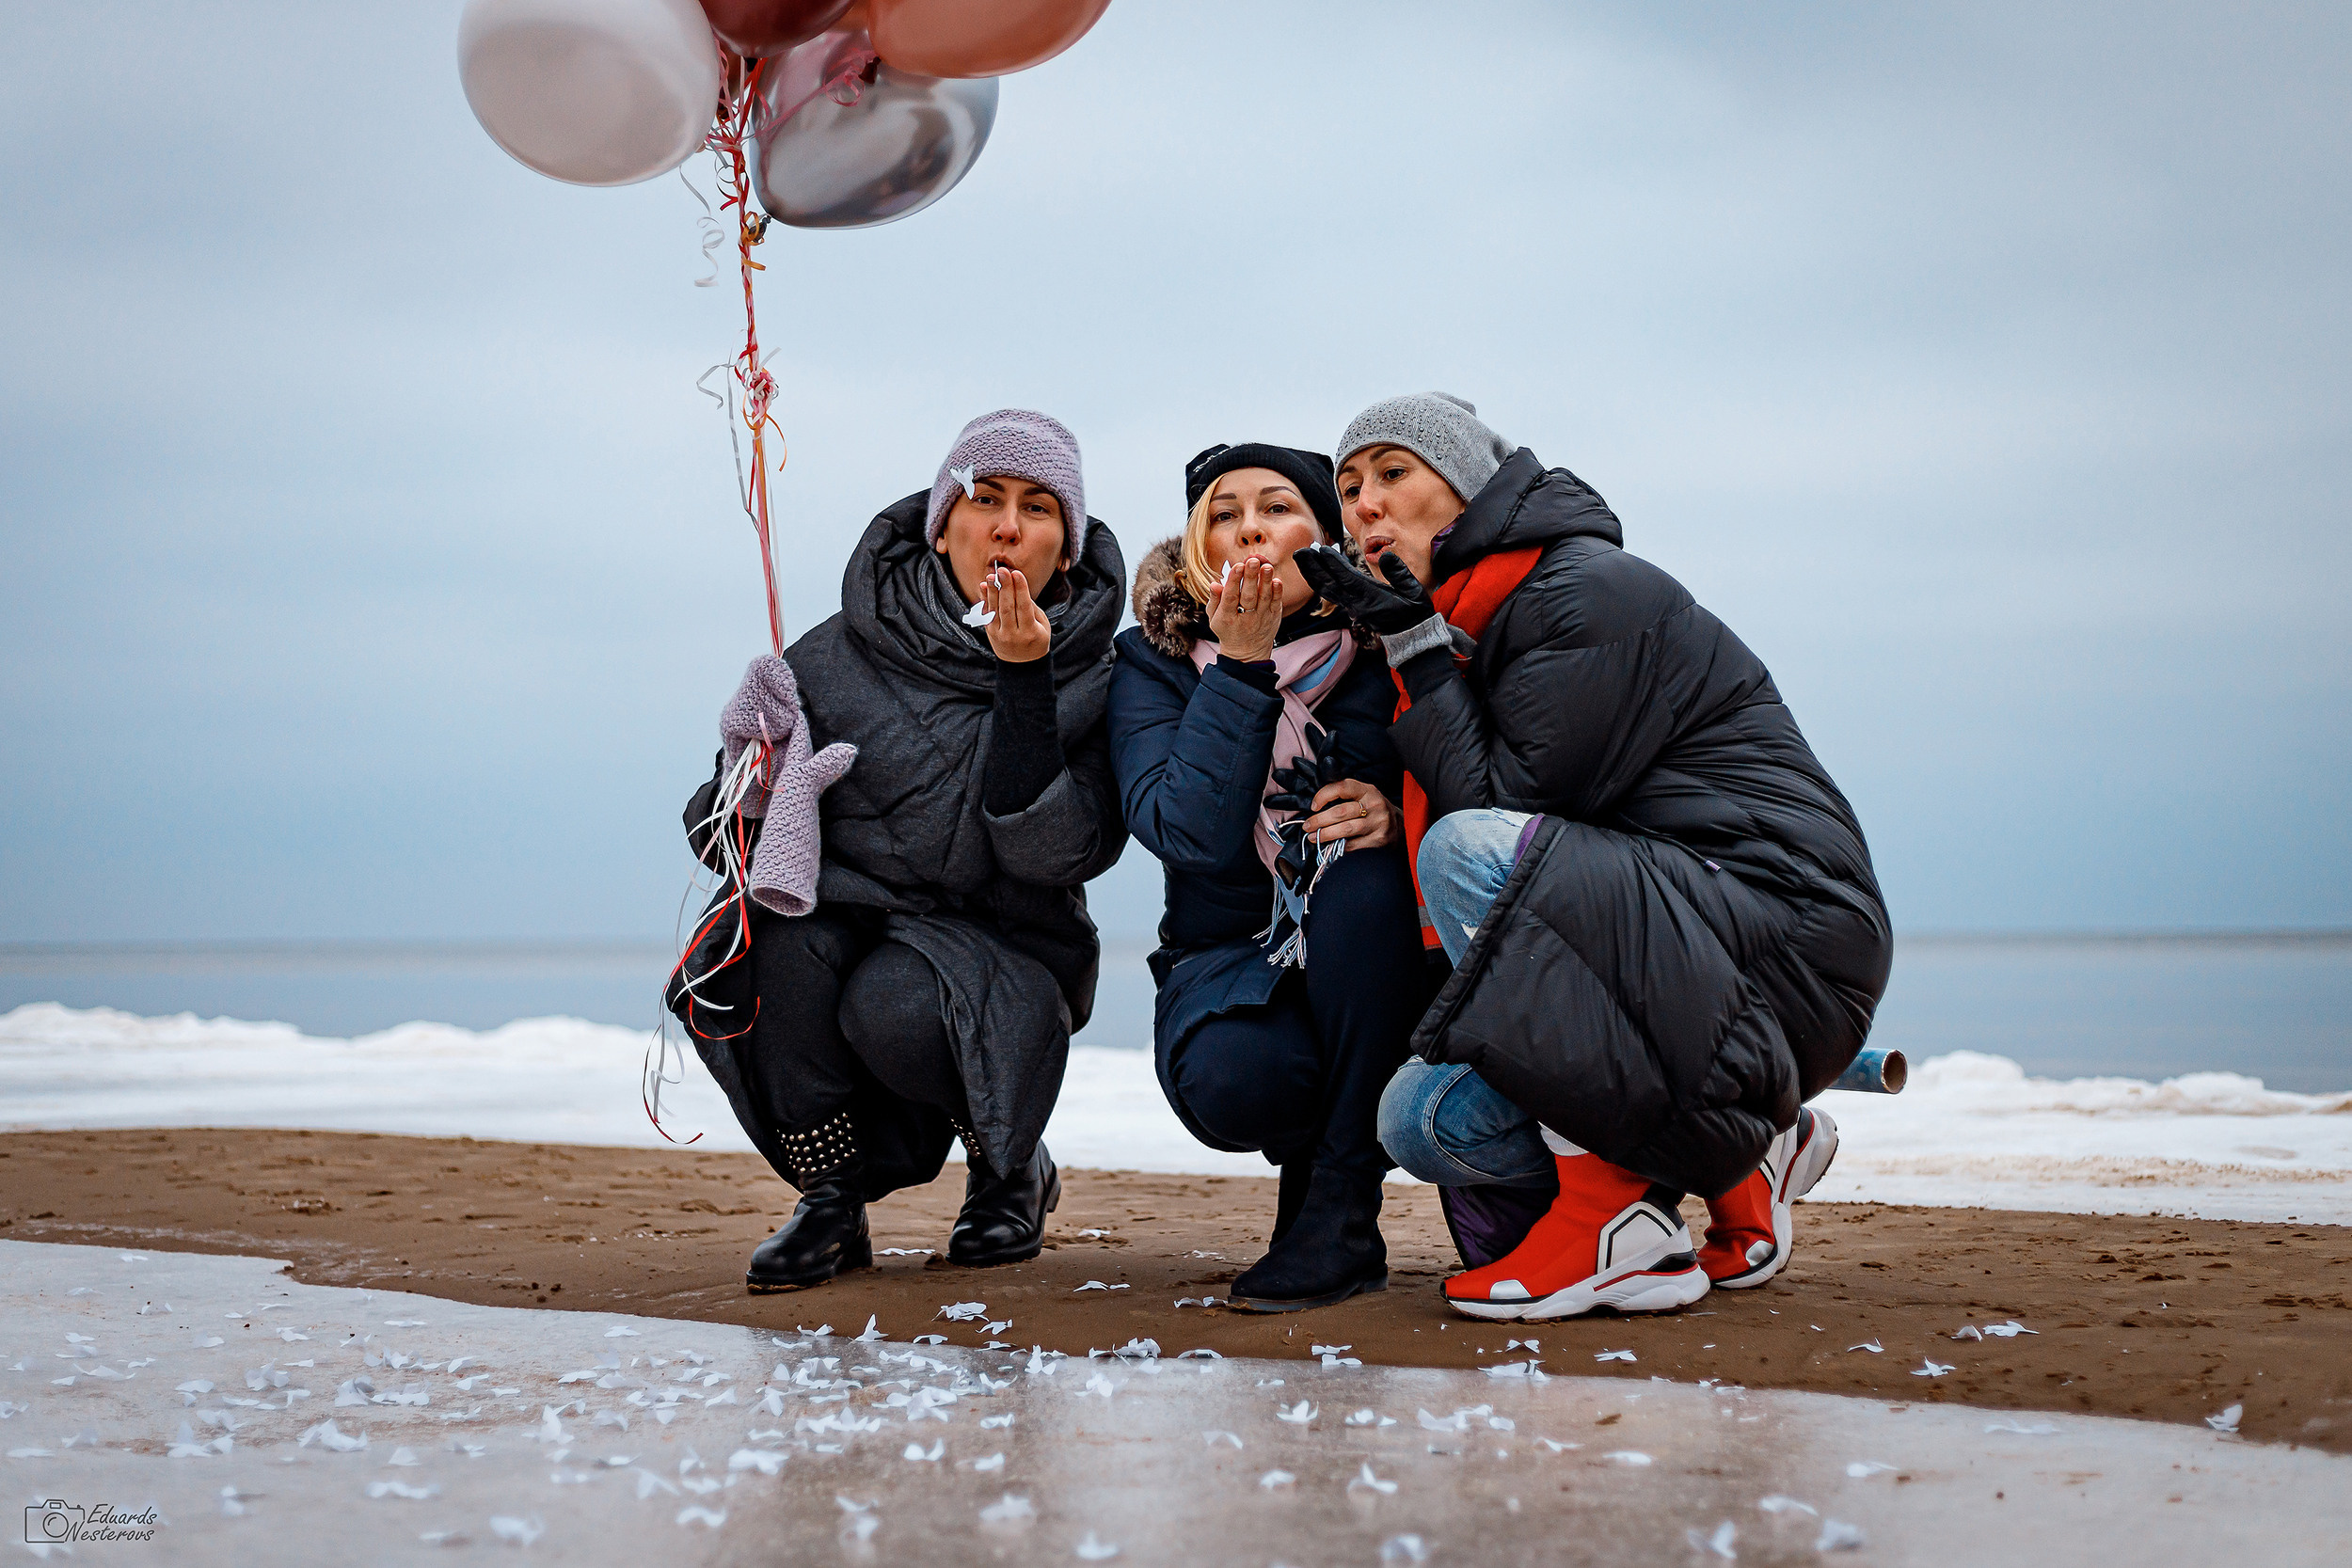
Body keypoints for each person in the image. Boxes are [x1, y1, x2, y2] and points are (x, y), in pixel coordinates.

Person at [1295, 393, 1892, 1322]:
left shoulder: (1579, 590)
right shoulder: (1463, 626)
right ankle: (1751, 1150)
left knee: (1467, 853)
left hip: (1782, 936)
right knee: (1421, 1117)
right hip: (1683, 951)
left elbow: (1501, 821)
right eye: (1348, 486)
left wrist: (1412, 645)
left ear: (1470, 484)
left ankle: (1620, 1226)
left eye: (1393, 472)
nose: (1364, 502)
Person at [672, 409, 1128, 1292]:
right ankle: (830, 1199)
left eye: (1037, 508)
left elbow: (1058, 852)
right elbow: (718, 830)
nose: (1006, 524)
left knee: (897, 1001)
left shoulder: (1103, 674)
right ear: (941, 521)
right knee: (759, 948)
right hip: (848, 921)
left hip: (1008, 946)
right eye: (983, 497)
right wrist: (756, 778)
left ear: (1064, 547)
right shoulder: (836, 648)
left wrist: (1025, 677)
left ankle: (1009, 1165)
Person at [1107, 443, 1438, 1311]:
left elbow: (1479, 778)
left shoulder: (1387, 646)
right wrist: (1244, 668)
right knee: (1239, 1077)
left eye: (1277, 505)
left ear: (1324, 538)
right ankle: (1316, 1179)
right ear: (1196, 552)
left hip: (1376, 968)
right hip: (1229, 956)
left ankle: (1339, 1213)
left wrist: (1402, 817)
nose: (1250, 525)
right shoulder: (1151, 662)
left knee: (1364, 878)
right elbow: (1188, 833)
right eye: (1224, 513)